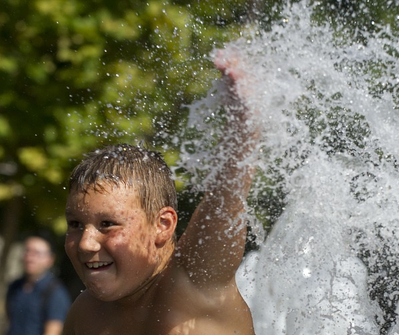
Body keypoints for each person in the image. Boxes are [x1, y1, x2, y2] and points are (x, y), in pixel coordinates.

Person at [61, 51, 259, 335]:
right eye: (75, 224)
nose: (85, 244)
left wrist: (244, 118)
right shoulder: (84, 315)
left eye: (108, 224)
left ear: (162, 225)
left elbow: (225, 198)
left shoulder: (193, 282)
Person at [5, 235, 72, 335]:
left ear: (50, 260)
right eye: (27, 251)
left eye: (37, 253)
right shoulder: (15, 286)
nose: (30, 257)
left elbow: (53, 330)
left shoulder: (55, 292)